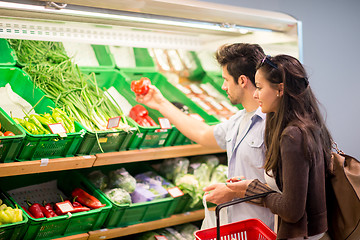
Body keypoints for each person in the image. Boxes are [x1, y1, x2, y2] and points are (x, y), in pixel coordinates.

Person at [135, 43, 274, 228]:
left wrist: (234, 192)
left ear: (242, 80)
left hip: (266, 228)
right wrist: (160, 103)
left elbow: (284, 193)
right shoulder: (238, 120)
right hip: (238, 227)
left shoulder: (273, 124)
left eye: (225, 79)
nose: (223, 86)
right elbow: (203, 134)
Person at [226, 54, 332, 239]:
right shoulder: (307, 124)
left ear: (280, 89)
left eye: (259, 87)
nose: (255, 94)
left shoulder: (293, 135)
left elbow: (292, 210)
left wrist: (251, 189)